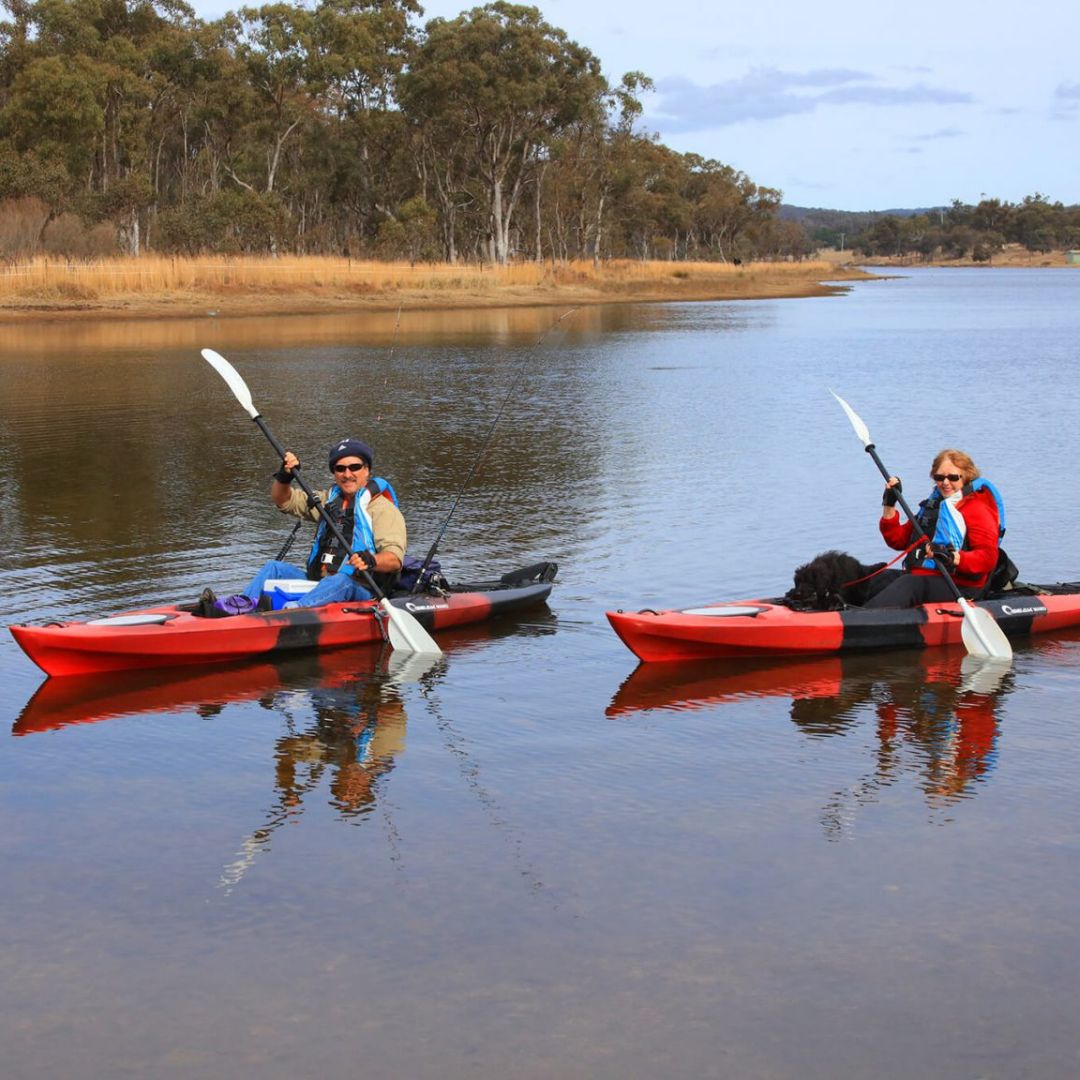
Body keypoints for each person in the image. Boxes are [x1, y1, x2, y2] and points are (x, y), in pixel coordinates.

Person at [235, 437, 406, 609]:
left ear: (367, 470)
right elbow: (283, 501)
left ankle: (291, 613)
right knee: (274, 568)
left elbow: (394, 560)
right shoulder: (327, 502)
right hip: (319, 582)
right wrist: (284, 477)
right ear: (334, 473)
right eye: (340, 469)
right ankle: (237, 608)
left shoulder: (384, 509)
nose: (347, 474)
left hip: (360, 589)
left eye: (355, 467)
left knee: (340, 580)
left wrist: (371, 560)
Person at [863, 449, 1001, 609]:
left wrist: (951, 557)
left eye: (953, 477)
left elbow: (988, 558)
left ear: (967, 477)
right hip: (923, 576)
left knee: (909, 584)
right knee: (876, 576)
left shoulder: (978, 509)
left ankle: (858, 622)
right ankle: (839, 611)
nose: (945, 482)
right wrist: (889, 503)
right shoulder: (934, 505)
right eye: (939, 477)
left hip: (960, 586)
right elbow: (898, 540)